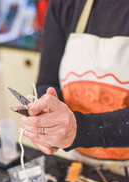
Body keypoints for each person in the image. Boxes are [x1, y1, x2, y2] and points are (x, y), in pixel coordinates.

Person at [20, 0, 129, 162]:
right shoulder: (64, 4)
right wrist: (46, 121)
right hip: (81, 160)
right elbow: (47, 81)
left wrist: (80, 130)